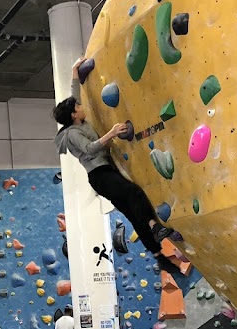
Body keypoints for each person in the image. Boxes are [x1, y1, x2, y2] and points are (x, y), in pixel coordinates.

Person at [53, 57, 176, 269]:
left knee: (131, 211)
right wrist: (111, 134)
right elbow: (90, 149)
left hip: (105, 171)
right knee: (133, 194)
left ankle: (159, 256)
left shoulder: (79, 121)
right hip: (99, 175)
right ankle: (154, 226)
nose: (82, 106)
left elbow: (75, 93)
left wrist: (74, 70)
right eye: (78, 106)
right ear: (74, 115)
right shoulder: (73, 133)